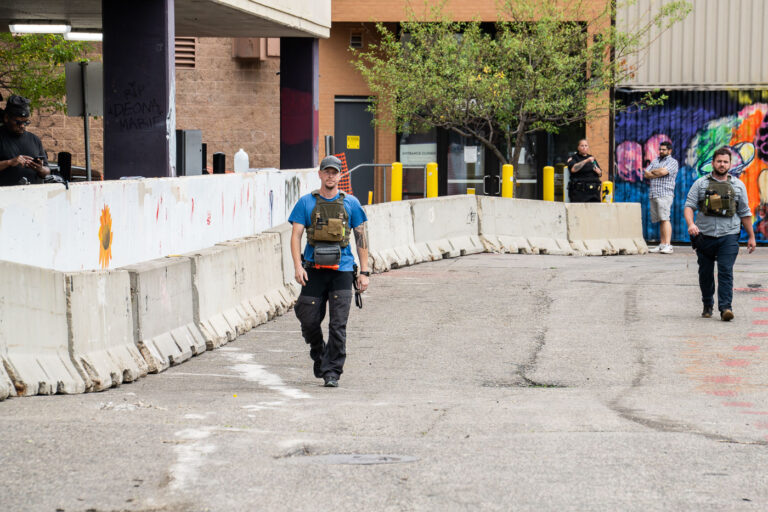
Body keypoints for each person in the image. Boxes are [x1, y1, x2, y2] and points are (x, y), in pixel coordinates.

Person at [289, 155, 370, 387]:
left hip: (342, 271)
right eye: (327, 172)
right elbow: (295, 236)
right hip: (313, 269)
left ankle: (332, 372)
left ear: (340, 175)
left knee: (338, 324)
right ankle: (318, 351)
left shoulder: (351, 203)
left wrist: (364, 272)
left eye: (335, 172)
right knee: (308, 319)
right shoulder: (306, 202)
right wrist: (297, 266)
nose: (331, 176)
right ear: (320, 174)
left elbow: (361, 235)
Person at [684, 147, 756, 321]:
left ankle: (725, 308)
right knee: (705, 273)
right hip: (705, 236)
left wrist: (752, 237)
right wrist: (691, 224)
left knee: (725, 271)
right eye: (719, 161)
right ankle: (707, 303)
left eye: (725, 162)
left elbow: (745, 213)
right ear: (713, 163)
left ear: (730, 164)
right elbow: (689, 206)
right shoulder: (700, 183)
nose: (722, 164)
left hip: (729, 235)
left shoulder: (738, 185)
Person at [0, 95, 50, 186]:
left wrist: (40, 169)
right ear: (6, 118)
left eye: (25, 122)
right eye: (18, 122)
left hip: (30, 196)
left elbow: (47, 170)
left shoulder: (34, 139)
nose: (22, 126)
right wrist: (9, 162)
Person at [644, 141, 679, 254]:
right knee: (660, 220)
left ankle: (668, 245)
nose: (661, 151)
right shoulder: (655, 160)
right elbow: (646, 173)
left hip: (664, 193)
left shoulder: (673, 162)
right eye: (660, 149)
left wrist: (654, 172)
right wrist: (656, 172)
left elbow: (664, 172)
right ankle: (662, 244)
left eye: (664, 149)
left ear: (670, 150)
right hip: (654, 193)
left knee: (665, 218)